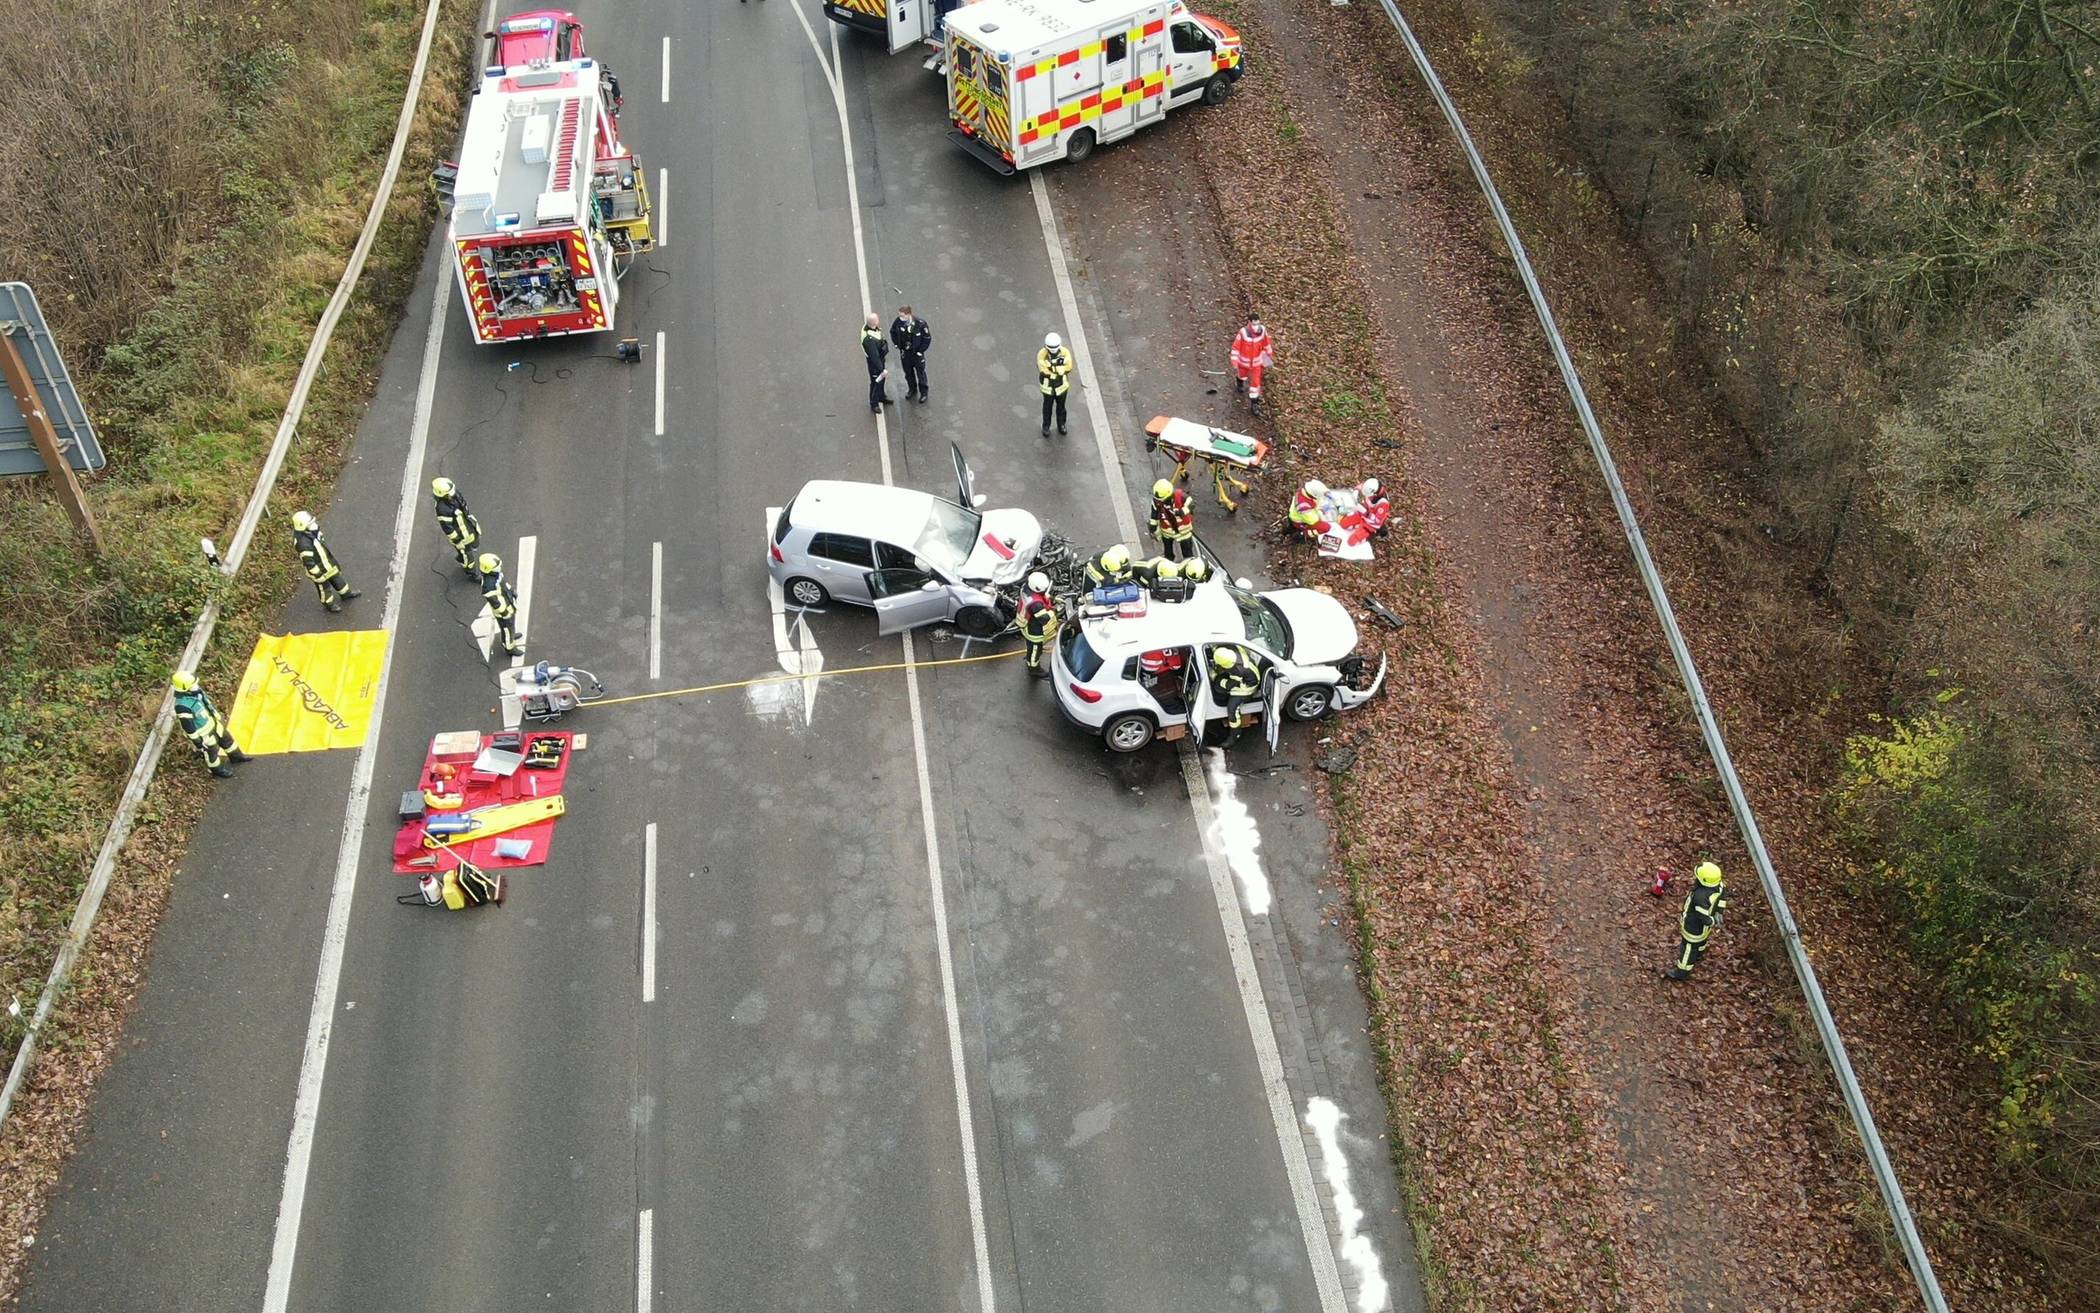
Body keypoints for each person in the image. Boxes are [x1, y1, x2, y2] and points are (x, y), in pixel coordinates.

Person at [171, 670, 247, 779]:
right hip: (204, 734)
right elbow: (189, 727)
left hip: (214, 723)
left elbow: (207, 704)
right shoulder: (182, 706)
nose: (196, 686)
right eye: (193, 685)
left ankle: (237, 757)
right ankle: (217, 770)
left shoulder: (196, 693)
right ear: (184, 688)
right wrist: (198, 742)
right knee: (212, 753)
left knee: (227, 741)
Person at [1664, 862, 1730, 980]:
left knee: (1688, 949)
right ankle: (1699, 954)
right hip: (1704, 929)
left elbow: (1703, 916)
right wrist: (1719, 911)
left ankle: (1682, 972)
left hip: (1693, 928)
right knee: (1701, 942)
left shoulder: (1700, 896)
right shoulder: (1719, 885)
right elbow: (1722, 898)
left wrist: (1711, 921)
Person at [291, 510, 360, 612]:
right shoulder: (303, 543)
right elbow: (309, 563)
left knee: (337, 579)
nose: (314, 525)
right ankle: (329, 604)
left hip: (326, 563)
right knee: (324, 588)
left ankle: (346, 594)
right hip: (319, 569)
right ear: (303, 526)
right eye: (310, 523)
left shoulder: (311, 533)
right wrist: (318, 575)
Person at [1207, 646, 1264, 740]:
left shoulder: (1238, 670)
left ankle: (1234, 734)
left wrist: (1215, 678)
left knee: (1232, 708)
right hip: (1247, 675)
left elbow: (1230, 685)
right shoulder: (1234, 649)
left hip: (1247, 687)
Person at [478, 552, 527, 657]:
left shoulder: (495, 575)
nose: (499, 567)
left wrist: (512, 590)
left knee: (510, 626)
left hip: (508, 603)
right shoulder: (488, 585)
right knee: (506, 628)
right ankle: (509, 647)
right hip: (503, 611)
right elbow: (495, 602)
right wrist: (504, 612)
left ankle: (511, 636)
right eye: (497, 566)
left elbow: (503, 584)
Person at [431, 477, 482, 573]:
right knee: (468, 555)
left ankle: (461, 557)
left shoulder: (454, 494)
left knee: (475, 543)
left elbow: (463, 505)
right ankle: (471, 572)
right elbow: (448, 529)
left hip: (468, 526)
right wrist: (458, 541)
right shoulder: (442, 509)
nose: (452, 494)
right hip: (461, 535)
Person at [1230, 315, 1274, 417]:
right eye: (1254, 323)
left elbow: (1266, 343)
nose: (1256, 326)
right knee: (1242, 375)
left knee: (1255, 384)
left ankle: (1255, 403)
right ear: (1249, 322)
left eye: (1257, 323)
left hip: (1256, 363)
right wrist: (1234, 360)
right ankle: (1240, 381)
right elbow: (1236, 347)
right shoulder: (1243, 333)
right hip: (1243, 362)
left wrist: (1269, 355)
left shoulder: (1262, 331)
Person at [1016, 571, 1059, 675]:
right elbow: (1044, 618)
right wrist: (1054, 611)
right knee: (1036, 650)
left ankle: (1029, 657)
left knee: (1030, 646)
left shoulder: (1026, 587)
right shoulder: (1036, 605)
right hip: (1034, 632)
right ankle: (1034, 669)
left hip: (1025, 623)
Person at [890, 305, 933, 403]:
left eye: (902, 316)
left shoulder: (920, 324)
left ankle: (924, 392)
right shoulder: (898, 322)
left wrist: (920, 351)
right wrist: (897, 344)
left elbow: (927, 338)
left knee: (920, 373)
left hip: (916, 354)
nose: (900, 318)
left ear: (908, 314)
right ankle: (912, 389)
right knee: (908, 373)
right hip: (906, 353)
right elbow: (893, 332)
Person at [1148, 479, 1195, 561]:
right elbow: (1154, 515)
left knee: (1188, 556)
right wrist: (1153, 527)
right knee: (1168, 554)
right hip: (1167, 532)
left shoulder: (1180, 496)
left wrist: (1183, 511)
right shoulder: (1156, 501)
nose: (1159, 501)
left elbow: (1191, 504)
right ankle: (1169, 565)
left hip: (1184, 532)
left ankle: (1188, 565)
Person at [1037, 331, 1073, 435]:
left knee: (1061, 407)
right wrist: (1058, 369)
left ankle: (1061, 424)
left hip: (1061, 386)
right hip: (1048, 387)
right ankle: (1046, 426)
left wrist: (1052, 367)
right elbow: (1043, 370)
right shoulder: (1042, 354)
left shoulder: (1065, 352)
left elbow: (1069, 367)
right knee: (1047, 408)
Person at [860, 312, 891, 413]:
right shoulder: (869, 340)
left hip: (879, 361)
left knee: (881, 381)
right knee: (876, 382)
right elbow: (874, 357)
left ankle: (881, 396)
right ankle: (874, 403)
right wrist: (881, 369)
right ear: (874, 322)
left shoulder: (870, 329)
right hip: (875, 365)